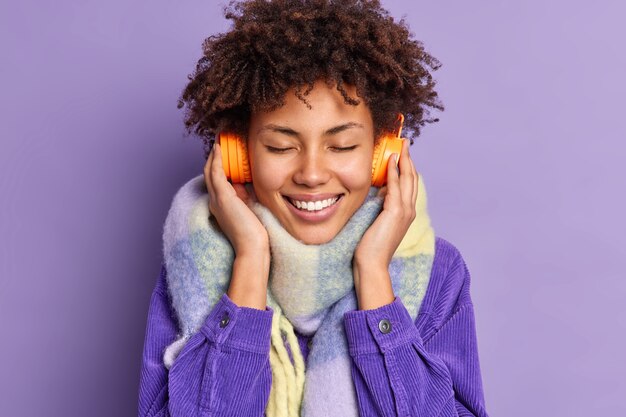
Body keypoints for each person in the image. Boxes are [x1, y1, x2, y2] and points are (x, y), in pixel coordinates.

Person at [138, 1, 489, 416]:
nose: (311, 173)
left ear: (382, 153)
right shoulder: (193, 262)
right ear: (239, 153)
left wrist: (374, 275)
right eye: (280, 146)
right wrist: (250, 261)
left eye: (341, 146)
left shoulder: (437, 272)